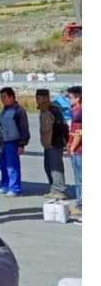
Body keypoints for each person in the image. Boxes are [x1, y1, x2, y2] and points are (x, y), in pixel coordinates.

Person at [0, 87, 30, 198]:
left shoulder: (19, 110)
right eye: (1, 97)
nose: (2, 99)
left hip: (13, 142)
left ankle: (14, 188)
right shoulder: (4, 110)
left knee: (12, 166)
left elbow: (24, 128)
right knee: (3, 166)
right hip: (2, 142)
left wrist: (22, 144)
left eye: (4, 97)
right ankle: (5, 185)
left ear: (11, 97)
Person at [36, 88, 68, 200]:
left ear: (46, 98)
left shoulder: (53, 110)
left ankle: (59, 190)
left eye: (39, 98)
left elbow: (62, 127)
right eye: (36, 98)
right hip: (47, 144)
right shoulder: (43, 110)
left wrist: (62, 142)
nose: (37, 101)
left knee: (56, 168)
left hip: (54, 143)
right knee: (48, 167)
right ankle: (54, 188)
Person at [67, 85, 82, 216]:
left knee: (80, 179)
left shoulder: (81, 111)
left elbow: (80, 132)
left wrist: (72, 147)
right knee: (78, 179)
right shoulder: (74, 109)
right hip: (74, 147)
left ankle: (81, 204)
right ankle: (79, 202)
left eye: (70, 97)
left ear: (78, 97)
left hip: (79, 149)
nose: (69, 99)